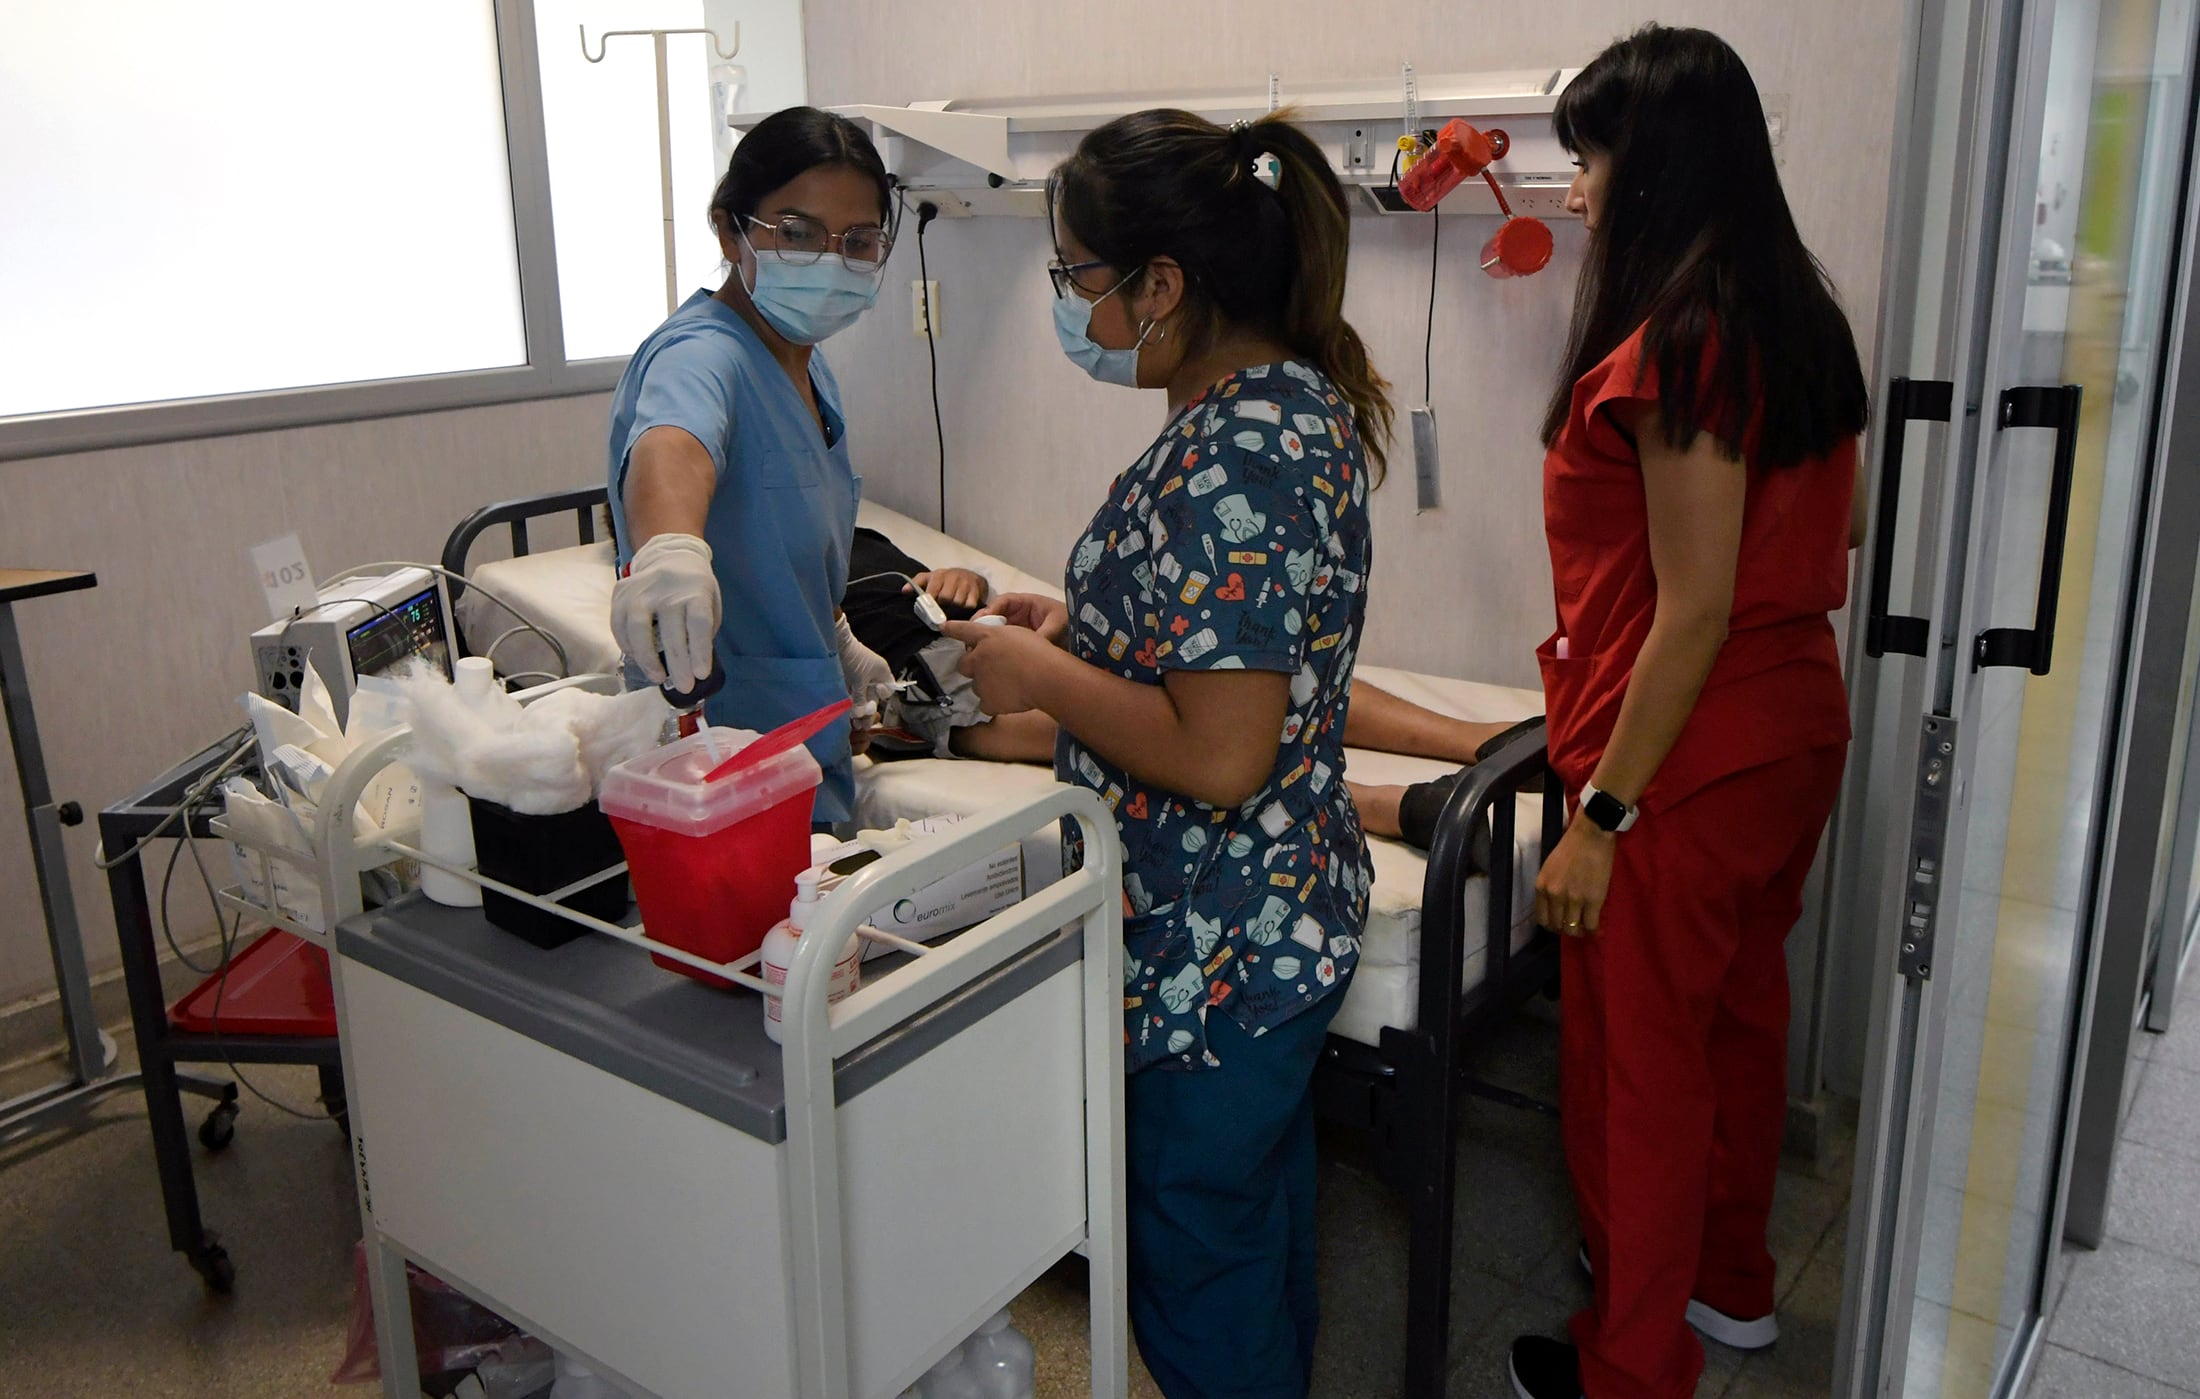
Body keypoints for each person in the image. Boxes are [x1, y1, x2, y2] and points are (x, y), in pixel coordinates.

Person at [937, 109, 1387, 1399]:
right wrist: (1087, 628)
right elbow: (1237, 639)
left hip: (1214, 952)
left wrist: (1043, 679)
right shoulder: (1293, 404)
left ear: (1163, 286)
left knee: (1199, 1267)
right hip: (1279, 918)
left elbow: (1224, 752)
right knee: (1255, 1232)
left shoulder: (1226, 453)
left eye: (1078, 277)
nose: (1072, 307)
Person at [1501, 27, 1869, 1399]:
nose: (1580, 189)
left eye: (1591, 158)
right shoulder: (1798, 318)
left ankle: (1632, 1369)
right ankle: (1731, 1286)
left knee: (1635, 1078)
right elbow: (1836, 533)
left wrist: (1602, 813)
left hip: (1684, 765)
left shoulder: (1687, 340)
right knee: (1735, 1025)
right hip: (1790, 739)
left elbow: (1695, 607)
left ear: (1650, 164)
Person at [604, 107, 900, 826]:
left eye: (857, 241)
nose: (831, 260)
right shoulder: (703, 356)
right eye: (795, 233)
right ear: (730, 228)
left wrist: (836, 645)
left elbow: (784, 544)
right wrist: (670, 550)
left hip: (806, 753)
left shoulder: (808, 370)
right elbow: (672, 446)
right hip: (720, 771)